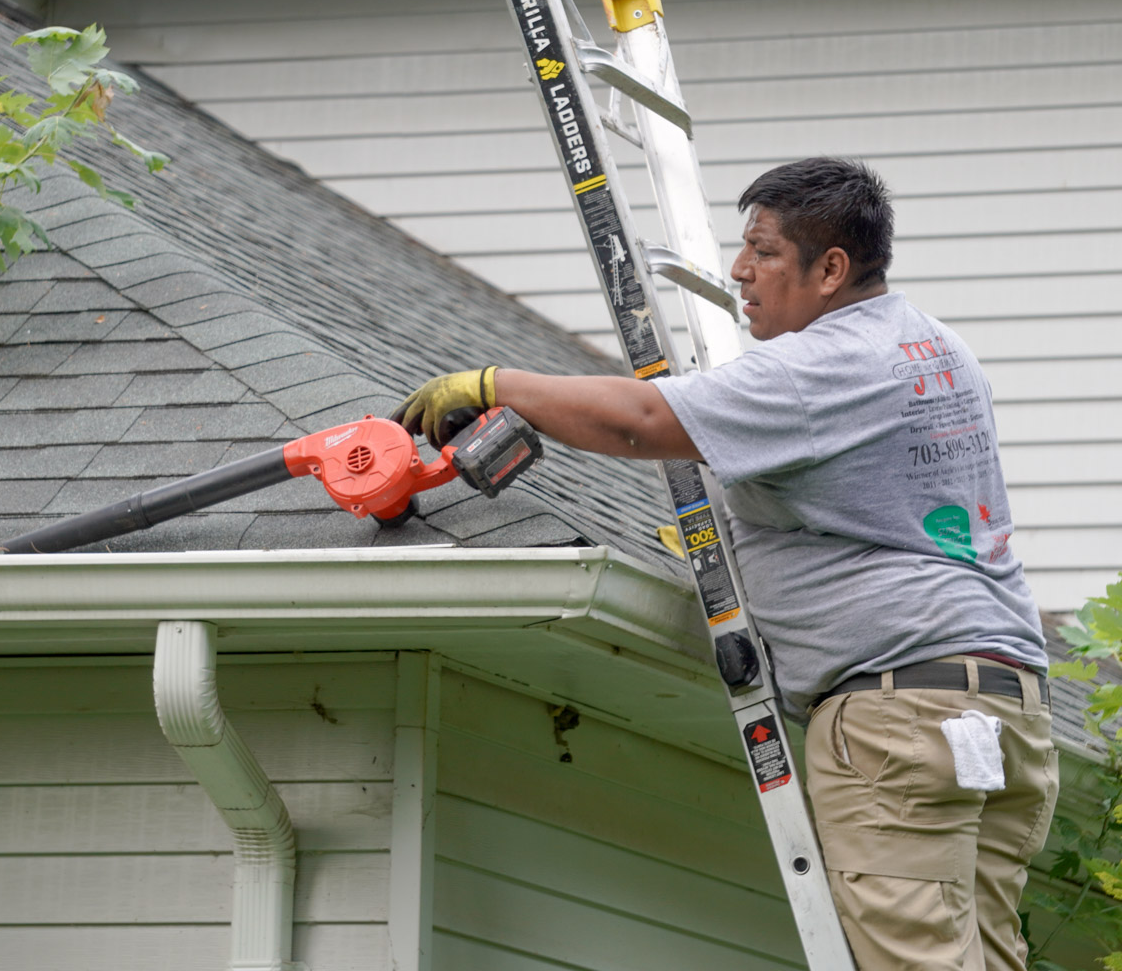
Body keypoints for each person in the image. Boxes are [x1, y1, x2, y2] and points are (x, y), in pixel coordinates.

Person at [392, 156, 1056, 971]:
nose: (738, 271)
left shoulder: (824, 366)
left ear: (832, 269)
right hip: (1006, 710)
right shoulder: (936, 347)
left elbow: (640, 421)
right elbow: (872, 497)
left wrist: (500, 384)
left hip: (901, 715)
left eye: (764, 252)